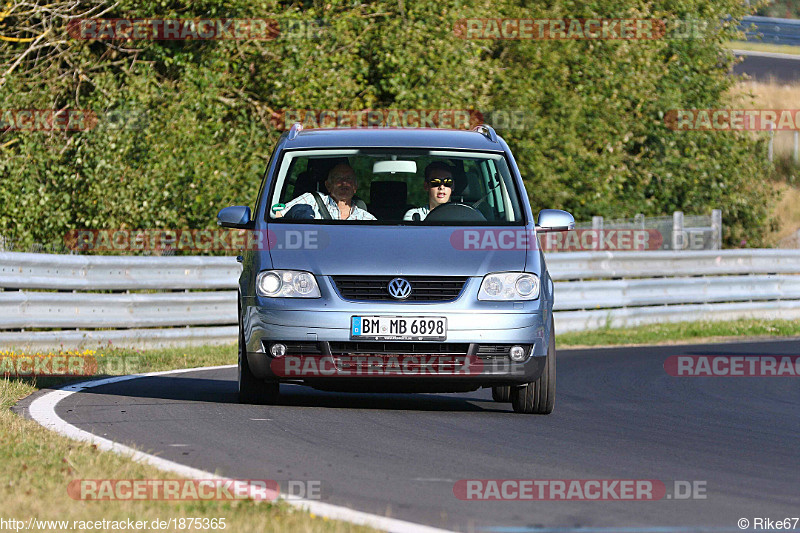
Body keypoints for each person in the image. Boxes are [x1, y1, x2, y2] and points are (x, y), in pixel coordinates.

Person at [277, 163, 376, 220]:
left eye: (349, 179)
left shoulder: (367, 219)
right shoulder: (311, 199)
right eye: (338, 178)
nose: (344, 182)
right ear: (328, 185)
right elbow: (278, 215)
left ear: (355, 187)